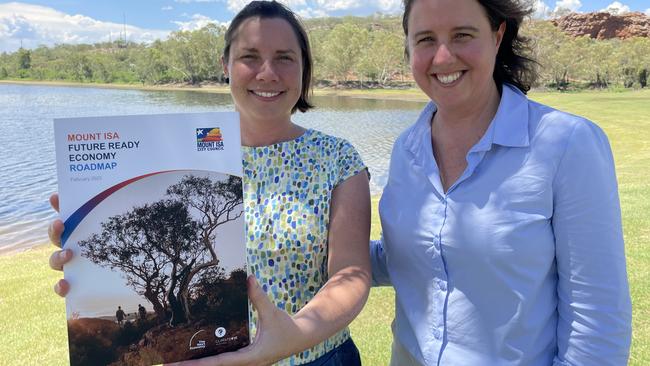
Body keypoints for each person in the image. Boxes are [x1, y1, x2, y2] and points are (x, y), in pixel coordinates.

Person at [48, 2, 371, 365]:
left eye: (284, 57)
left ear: (303, 67)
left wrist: (291, 338)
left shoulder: (337, 158)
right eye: (250, 56)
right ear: (225, 66)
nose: (267, 73)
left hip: (320, 358)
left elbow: (351, 275)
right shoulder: (181, 153)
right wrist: (85, 258)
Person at [370, 0, 632, 364]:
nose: (443, 57)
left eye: (462, 35)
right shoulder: (406, 149)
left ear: (497, 36)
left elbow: (597, 321)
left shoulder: (567, 144)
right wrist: (306, 248)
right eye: (426, 39)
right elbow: (412, 255)